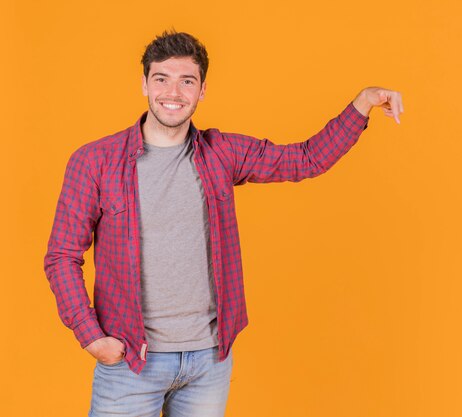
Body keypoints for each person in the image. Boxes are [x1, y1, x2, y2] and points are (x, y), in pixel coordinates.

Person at [43, 30, 404, 417]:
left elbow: (306, 159)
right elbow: (62, 255)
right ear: (144, 84)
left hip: (208, 362)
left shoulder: (222, 153)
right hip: (131, 361)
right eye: (161, 78)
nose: (173, 92)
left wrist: (362, 103)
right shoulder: (95, 161)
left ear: (202, 91)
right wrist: (91, 337)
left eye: (187, 81)